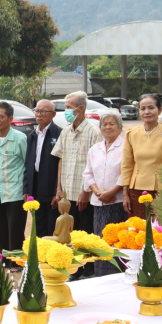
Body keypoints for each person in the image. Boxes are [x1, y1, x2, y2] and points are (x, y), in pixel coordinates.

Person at [120, 94, 162, 219]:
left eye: (151, 108)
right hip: (136, 190)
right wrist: (125, 194)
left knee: (157, 230)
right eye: (143, 108)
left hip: (161, 190)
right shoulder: (131, 133)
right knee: (137, 229)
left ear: (159, 110)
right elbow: (127, 165)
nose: (146, 112)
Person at [82, 113, 126, 276]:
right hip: (99, 202)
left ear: (120, 127)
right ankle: (100, 274)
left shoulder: (126, 147)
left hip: (117, 202)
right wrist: (97, 191)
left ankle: (116, 275)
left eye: (112, 124)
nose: (107, 127)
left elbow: (126, 173)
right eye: (104, 124)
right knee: (100, 240)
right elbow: (88, 173)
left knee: (115, 240)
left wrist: (112, 192)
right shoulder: (95, 149)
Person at [52, 91, 101, 235]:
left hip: (84, 196)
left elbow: (96, 166)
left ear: (80, 109)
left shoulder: (94, 132)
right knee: (66, 236)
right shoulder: (65, 131)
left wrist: (86, 192)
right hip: (66, 196)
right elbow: (61, 159)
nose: (66, 111)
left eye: (68, 107)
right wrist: (59, 189)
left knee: (84, 236)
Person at [0, 101, 27, 255]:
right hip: (0, 192)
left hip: (16, 192)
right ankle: (5, 258)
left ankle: (17, 261)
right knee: (2, 227)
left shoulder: (20, 138)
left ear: (10, 118)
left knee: (16, 228)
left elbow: (28, 164)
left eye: (1, 116)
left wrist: (27, 190)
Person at [23, 100, 62, 237]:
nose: (39, 114)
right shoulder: (32, 135)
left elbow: (61, 165)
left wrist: (57, 191)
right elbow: (28, 163)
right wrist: (27, 188)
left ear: (53, 114)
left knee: (52, 228)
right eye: (37, 111)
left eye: (43, 111)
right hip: (35, 188)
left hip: (51, 189)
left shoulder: (59, 134)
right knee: (38, 227)